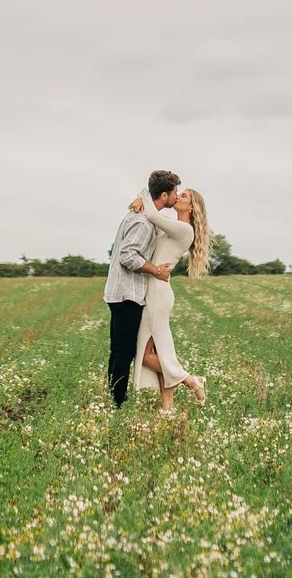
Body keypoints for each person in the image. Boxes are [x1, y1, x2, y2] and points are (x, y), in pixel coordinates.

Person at [103, 170, 181, 407]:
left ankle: (112, 397)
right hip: (128, 293)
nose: (177, 196)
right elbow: (128, 256)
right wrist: (155, 270)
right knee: (124, 352)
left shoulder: (139, 213)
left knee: (118, 349)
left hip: (119, 292)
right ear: (164, 194)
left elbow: (146, 195)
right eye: (175, 192)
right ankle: (118, 402)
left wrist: (140, 196)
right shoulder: (144, 223)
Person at [130, 185, 209, 412]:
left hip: (158, 293)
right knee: (158, 352)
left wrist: (142, 195)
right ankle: (167, 408)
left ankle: (191, 380)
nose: (178, 196)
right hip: (156, 290)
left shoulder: (185, 230)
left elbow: (152, 214)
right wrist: (139, 198)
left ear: (191, 207)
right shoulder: (173, 226)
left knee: (144, 354)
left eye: (183, 196)